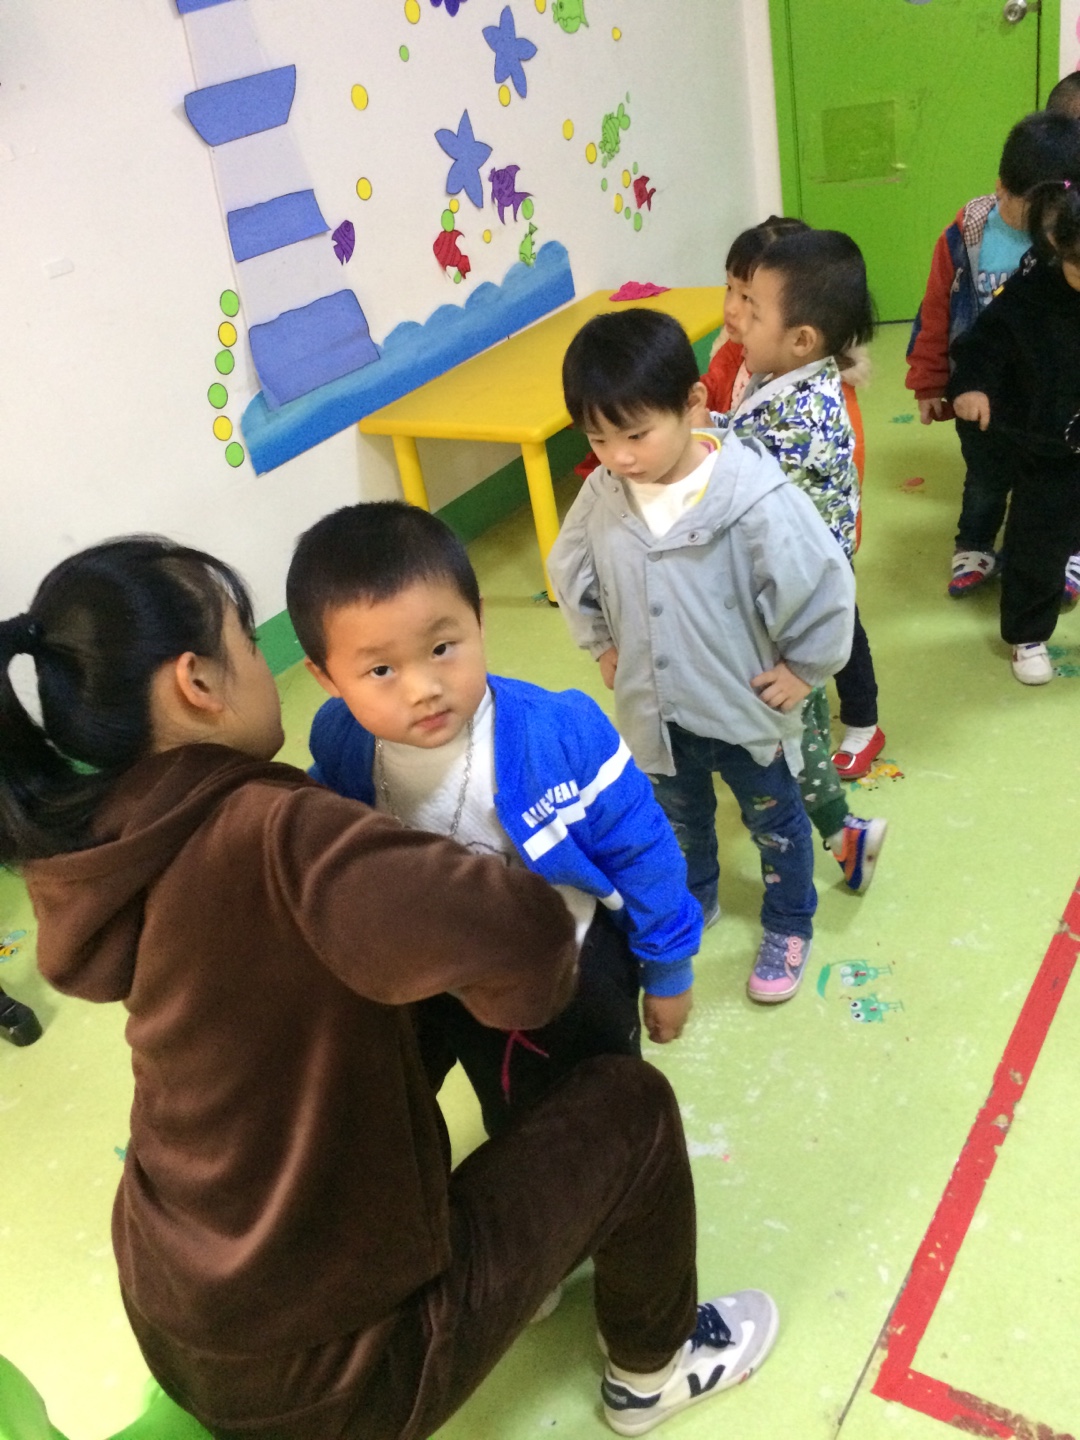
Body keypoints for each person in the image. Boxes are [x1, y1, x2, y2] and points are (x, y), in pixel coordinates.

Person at [0, 537, 778, 1439]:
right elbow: (529, 950)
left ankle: (531, 1258)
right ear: (198, 682)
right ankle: (653, 1371)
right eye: (250, 640)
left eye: (443, 647)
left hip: (178, 1314)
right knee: (630, 1106)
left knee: (406, 1032)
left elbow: (632, 842)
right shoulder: (291, 824)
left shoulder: (102, 844)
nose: (419, 690)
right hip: (340, 1384)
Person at [285, 500, 702, 1138]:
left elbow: (643, 849)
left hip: (569, 967)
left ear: (479, 620)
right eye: (381, 670)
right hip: (445, 978)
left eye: (442, 648)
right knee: (513, 1117)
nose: (423, 688)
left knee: (598, 1110)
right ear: (326, 678)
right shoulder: (342, 741)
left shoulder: (560, 734)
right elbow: (328, 824)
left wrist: (668, 967)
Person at [549, 308, 856, 1004]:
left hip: (743, 704)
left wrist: (804, 670)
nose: (620, 456)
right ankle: (697, 895)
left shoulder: (752, 497)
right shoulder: (603, 494)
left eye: (636, 434)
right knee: (677, 819)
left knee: (775, 825)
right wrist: (601, 641)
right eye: (598, 439)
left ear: (693, 402)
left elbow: (820, 582)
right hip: (655, 710)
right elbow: (570, 569)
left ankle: (790, 920)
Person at [707, 228, 889, 883]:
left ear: (802, 339)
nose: (738, 318)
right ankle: (838, 827)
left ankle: (841, 834)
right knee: (792, 726)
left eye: (753, 309)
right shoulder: (786, 378)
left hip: (795, 602)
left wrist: (697, 441)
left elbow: (739, 480)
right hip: (789, 593)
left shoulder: (799, 416)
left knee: (794, 726)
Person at [905, 111, 1080, 598]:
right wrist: (929, 381)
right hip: (984, 393)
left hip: (1053, 397)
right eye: (1033, 208)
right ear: (1001, 188)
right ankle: (975, 545)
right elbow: (936, 310)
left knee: (1059, 480)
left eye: (1056, 210)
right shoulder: (969, 235)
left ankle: (1066, 550)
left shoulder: (1069, 239)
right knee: (985, 479)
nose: (1046, 224)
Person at [950, 180, 1080, 685]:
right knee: (1036, 541)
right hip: (1047, 444)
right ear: (1058, 247)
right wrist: (973, 386)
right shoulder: (1030, 295)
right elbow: (982, 345)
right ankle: (1028, 635)